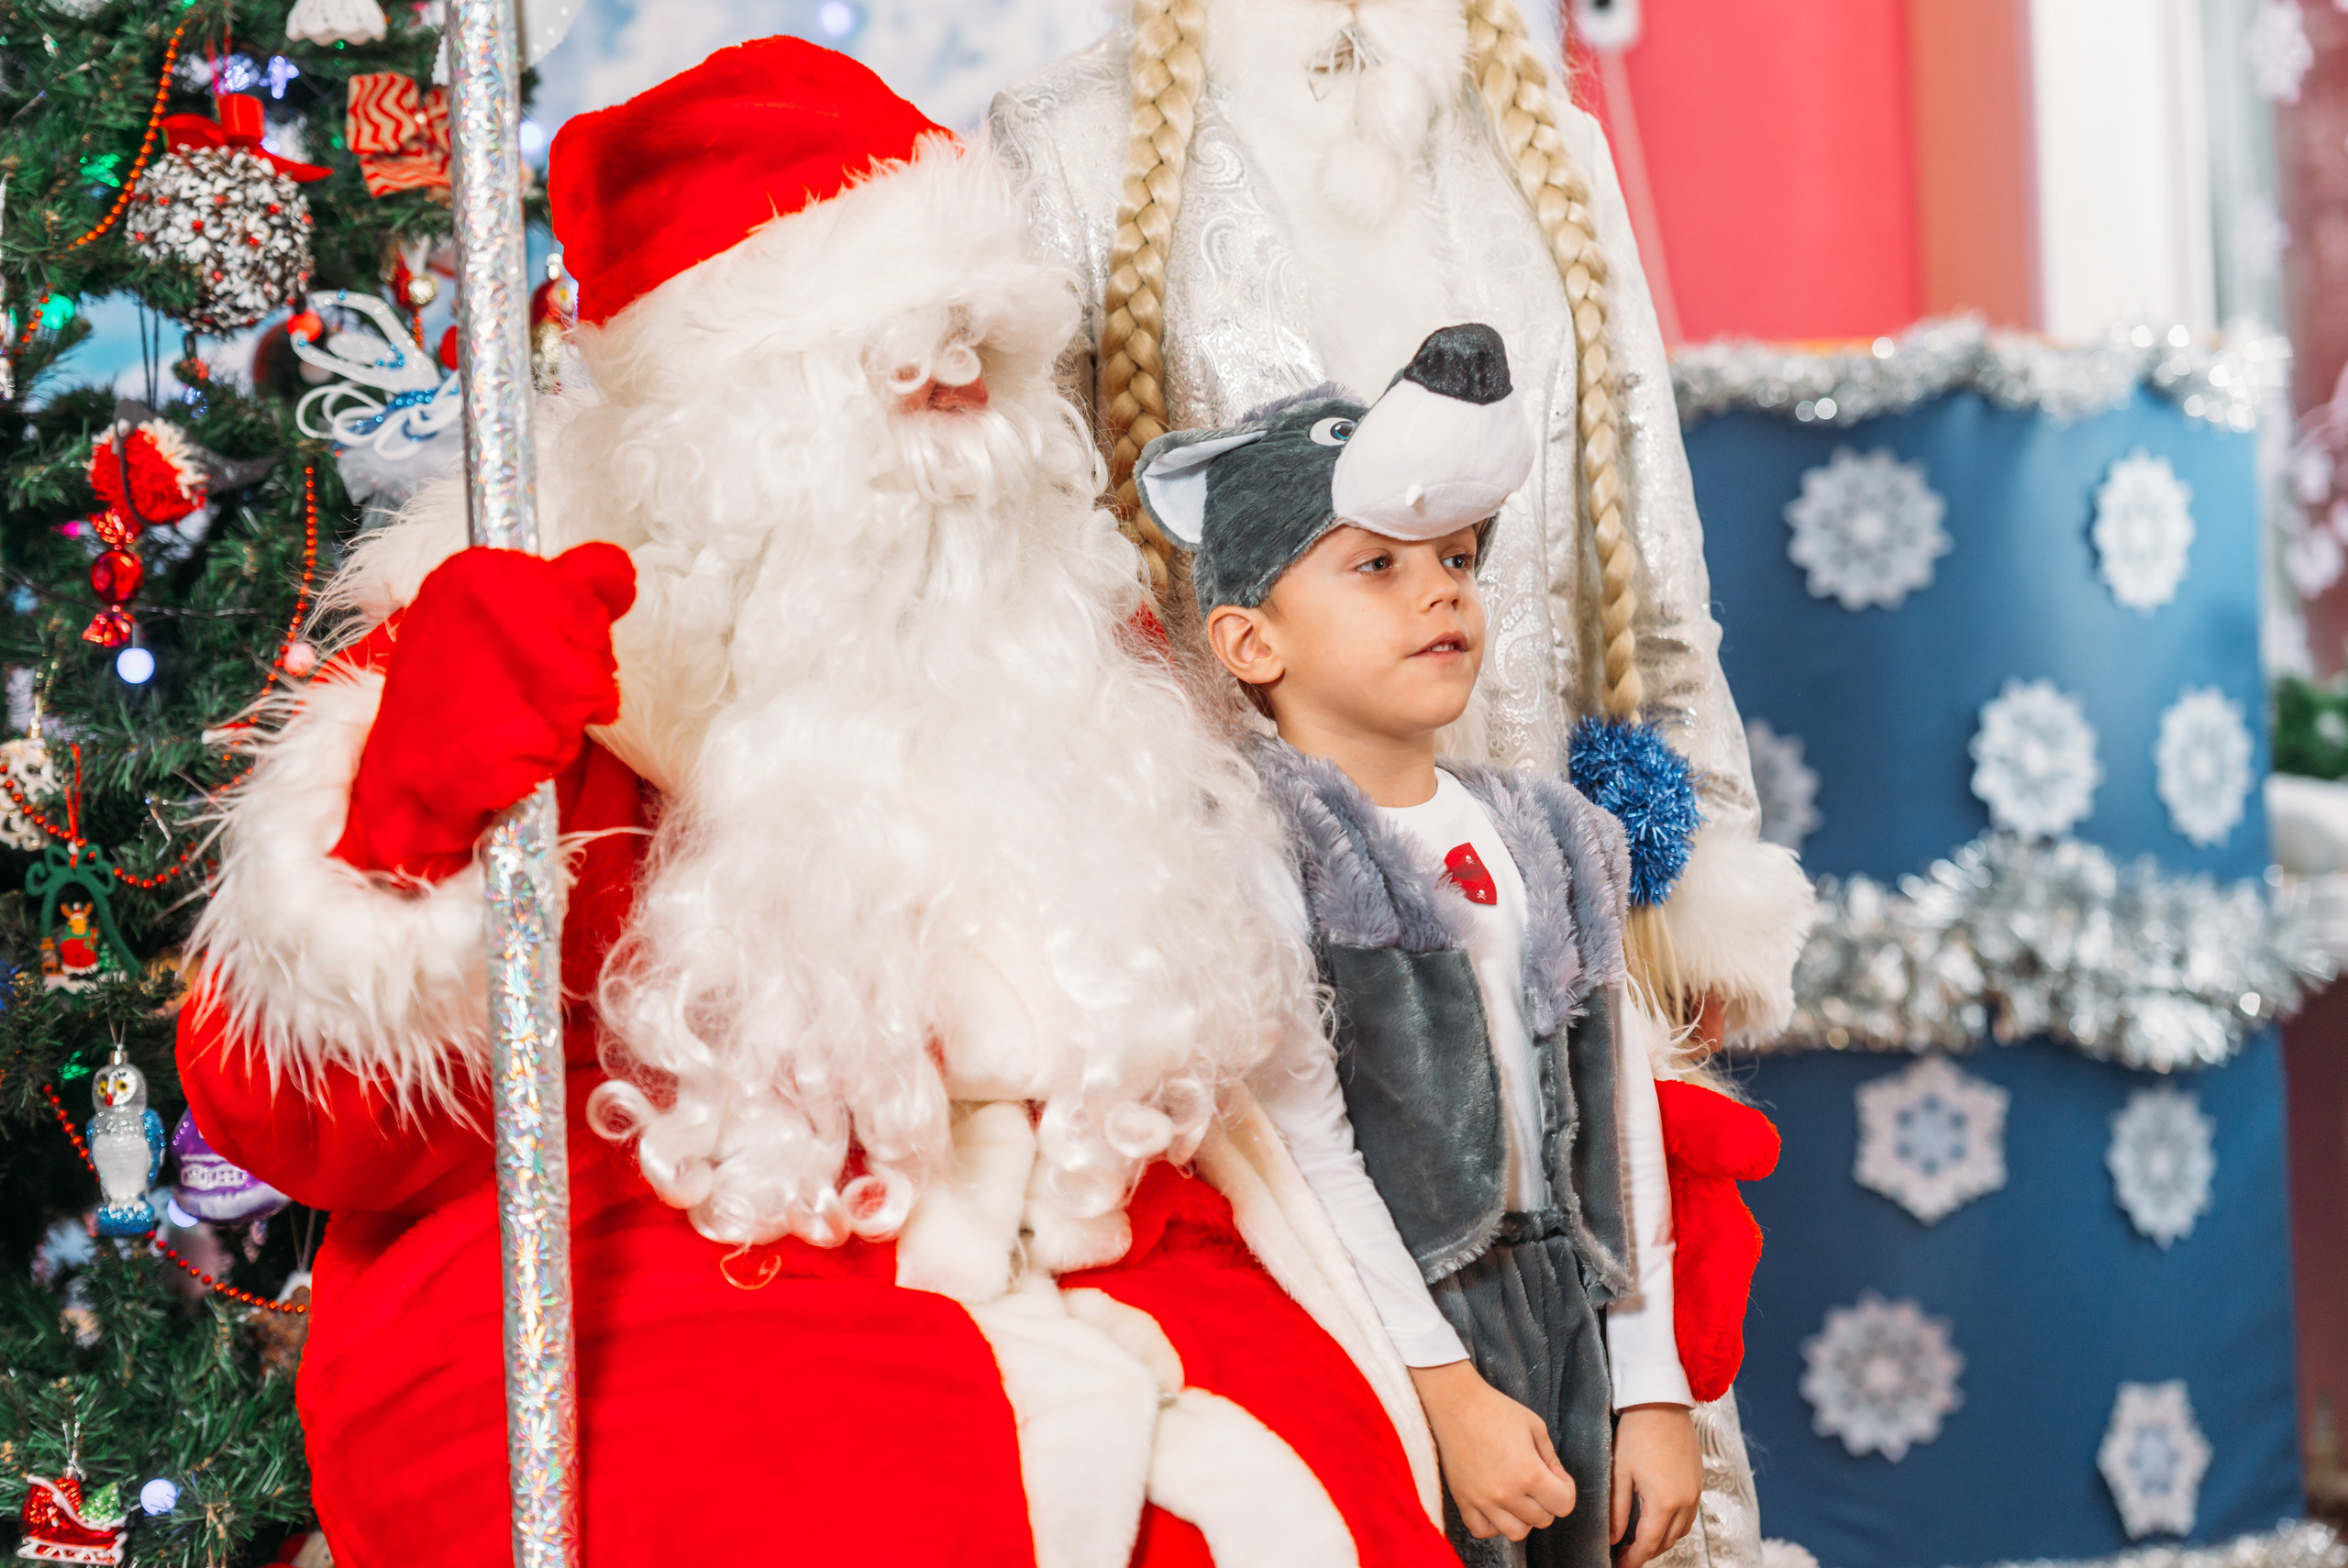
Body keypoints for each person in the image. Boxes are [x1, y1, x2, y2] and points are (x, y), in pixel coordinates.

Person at [175, 38, 1460, 1566]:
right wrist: (409, 816)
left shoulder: (1059, 640)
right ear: (721, 414)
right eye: (898, 356)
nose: (960, 392)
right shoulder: (531, 639)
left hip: (1086, 1226)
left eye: (983, 344)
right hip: (681, 1245)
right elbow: (296, 1120)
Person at [990, 9, 1814, 1558]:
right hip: (1255, 995)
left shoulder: (1541, 140)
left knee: (1631, 1490)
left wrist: (1701, 862)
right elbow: (1031, 594)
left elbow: (1652, 526)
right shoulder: (1064, 148)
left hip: (1552, 954)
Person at [1131, 323, 1739, 1568]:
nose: (1441, 589)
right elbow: (1306, 1146)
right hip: (1382, 1324)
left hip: (1561, 1307)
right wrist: (1446, 1392)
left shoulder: (1552, 832)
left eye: (1457, 557)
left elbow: (1615, 1124)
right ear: (1253, 641)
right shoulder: (1264, 841)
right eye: (1375, 565)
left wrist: (1652, 1384)